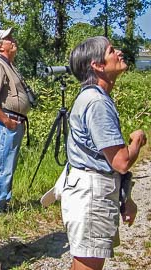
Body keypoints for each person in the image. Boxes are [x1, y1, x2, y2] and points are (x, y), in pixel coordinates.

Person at [63, 36, 146, 270]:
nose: (119, 52)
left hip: (94, 190)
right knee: (88, 263)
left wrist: (124, 198)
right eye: (111, 51)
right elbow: (121, 161)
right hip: (92, 194)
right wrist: (137, 140)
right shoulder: (97, 102)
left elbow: (103, 160)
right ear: (97, 65)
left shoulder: (96, 98)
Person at [0, 28, 32, 214]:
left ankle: (3, 203)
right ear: (0, 45)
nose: (13, 40)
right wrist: (6, 121)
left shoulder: (9, 65)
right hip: (6, 124)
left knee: (8, 165)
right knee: (2, 165)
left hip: (13, 122)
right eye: (8, 38)